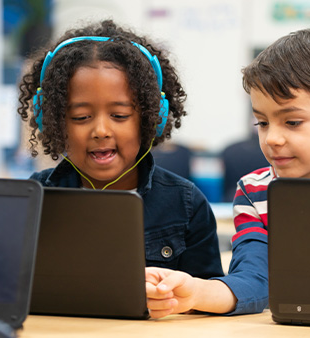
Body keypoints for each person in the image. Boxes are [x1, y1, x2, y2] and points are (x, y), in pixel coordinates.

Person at [145, 27, 310, 318]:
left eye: (292, 122)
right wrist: (196, 292)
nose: (272, 139)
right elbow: (254, 279)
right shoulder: (254, 192)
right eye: (262, 123)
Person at [16, 19, 223, 280]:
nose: (101, 130)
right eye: (81, 117)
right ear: (54, 122)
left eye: (120, 115)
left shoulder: (186, 204)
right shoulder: (36, 197)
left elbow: (207, 300)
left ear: (152, 118)